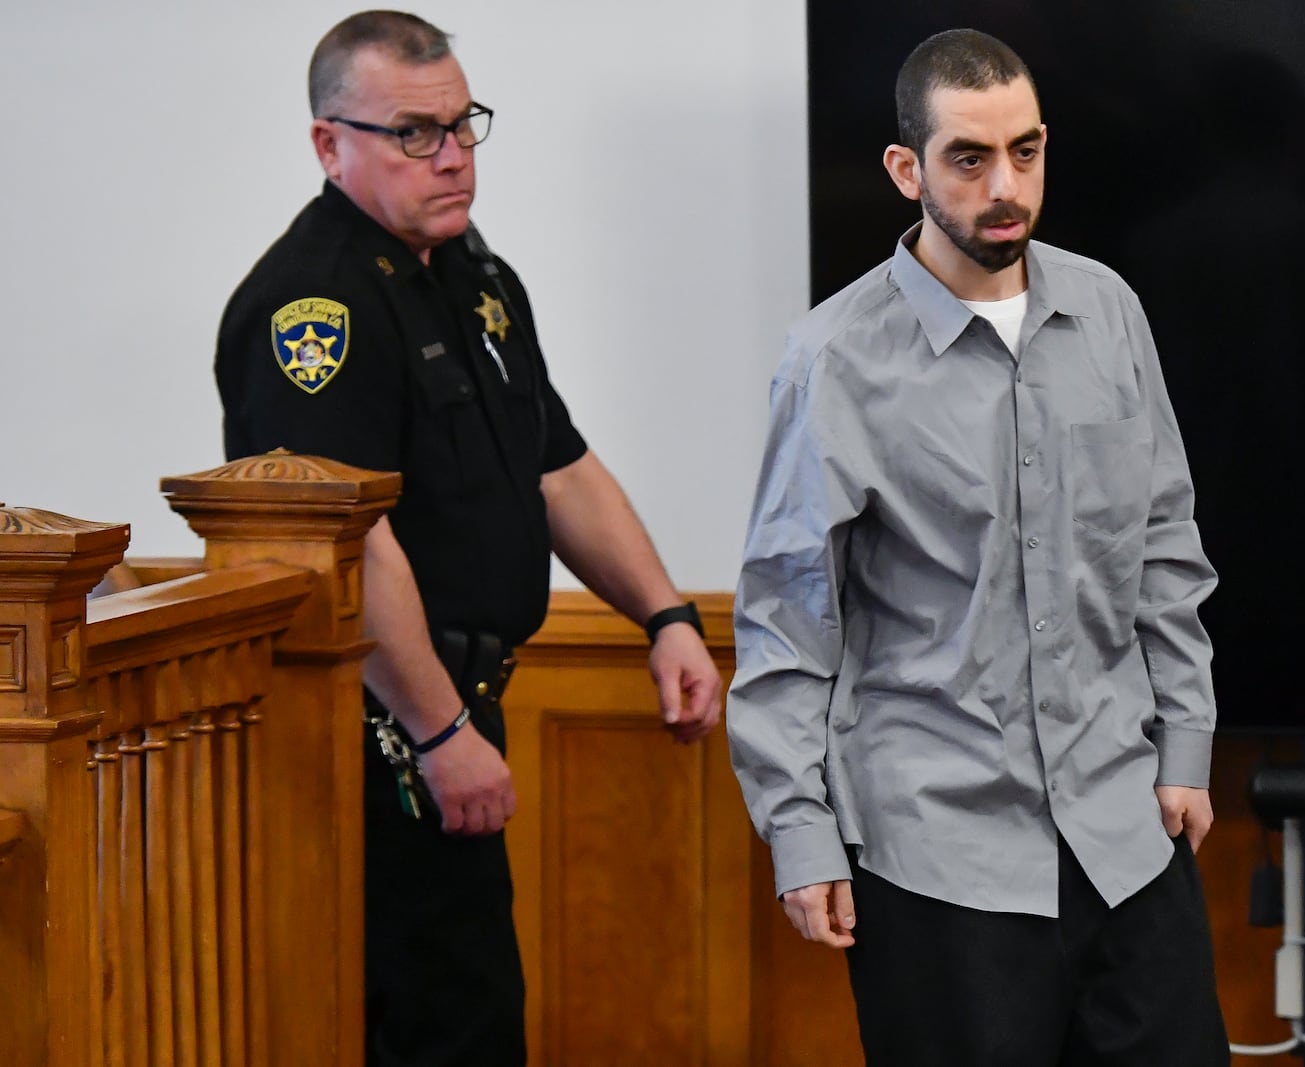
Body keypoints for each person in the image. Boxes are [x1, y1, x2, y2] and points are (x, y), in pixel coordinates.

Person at [213, 12, 722, 1066]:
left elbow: (559, 465)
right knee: (444, 1021)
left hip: (456, 708)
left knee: (473, 1014)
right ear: (328, 144)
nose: (452, 155)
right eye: (414, 132)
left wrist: (664, 615)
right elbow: (354, 546)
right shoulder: (316, 309)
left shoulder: (475, 278)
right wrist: (441, 734)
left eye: (463, 125)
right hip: (376, 731)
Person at [728, 28, 1229, 1066]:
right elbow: (788, 612)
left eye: (1027, 150)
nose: (1006, 185)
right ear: (907, 169)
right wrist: (799, 830)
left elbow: (1165, 545)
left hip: (1125, 831)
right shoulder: (833, 359)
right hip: (938, 859)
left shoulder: (1108, 310)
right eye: (969, 157)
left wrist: (1185, 740)